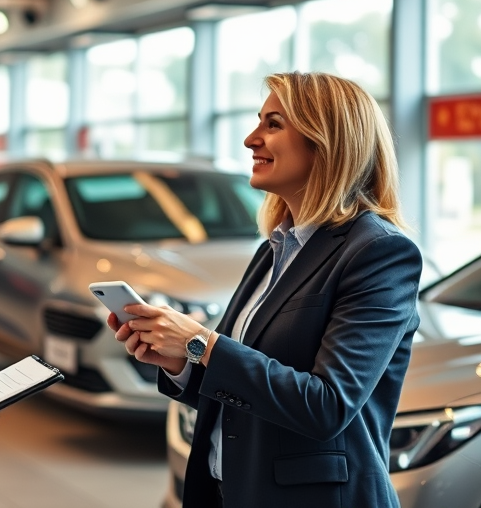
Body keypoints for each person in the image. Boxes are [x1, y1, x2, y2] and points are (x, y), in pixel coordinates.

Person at [109, 72, 422, 508]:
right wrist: (182, 361)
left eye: (273, 124)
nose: (251, 139)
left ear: (327, 141)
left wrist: (200, 342)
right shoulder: (274, 248)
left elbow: (326, 406)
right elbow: (241, 385)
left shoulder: (379, 253)